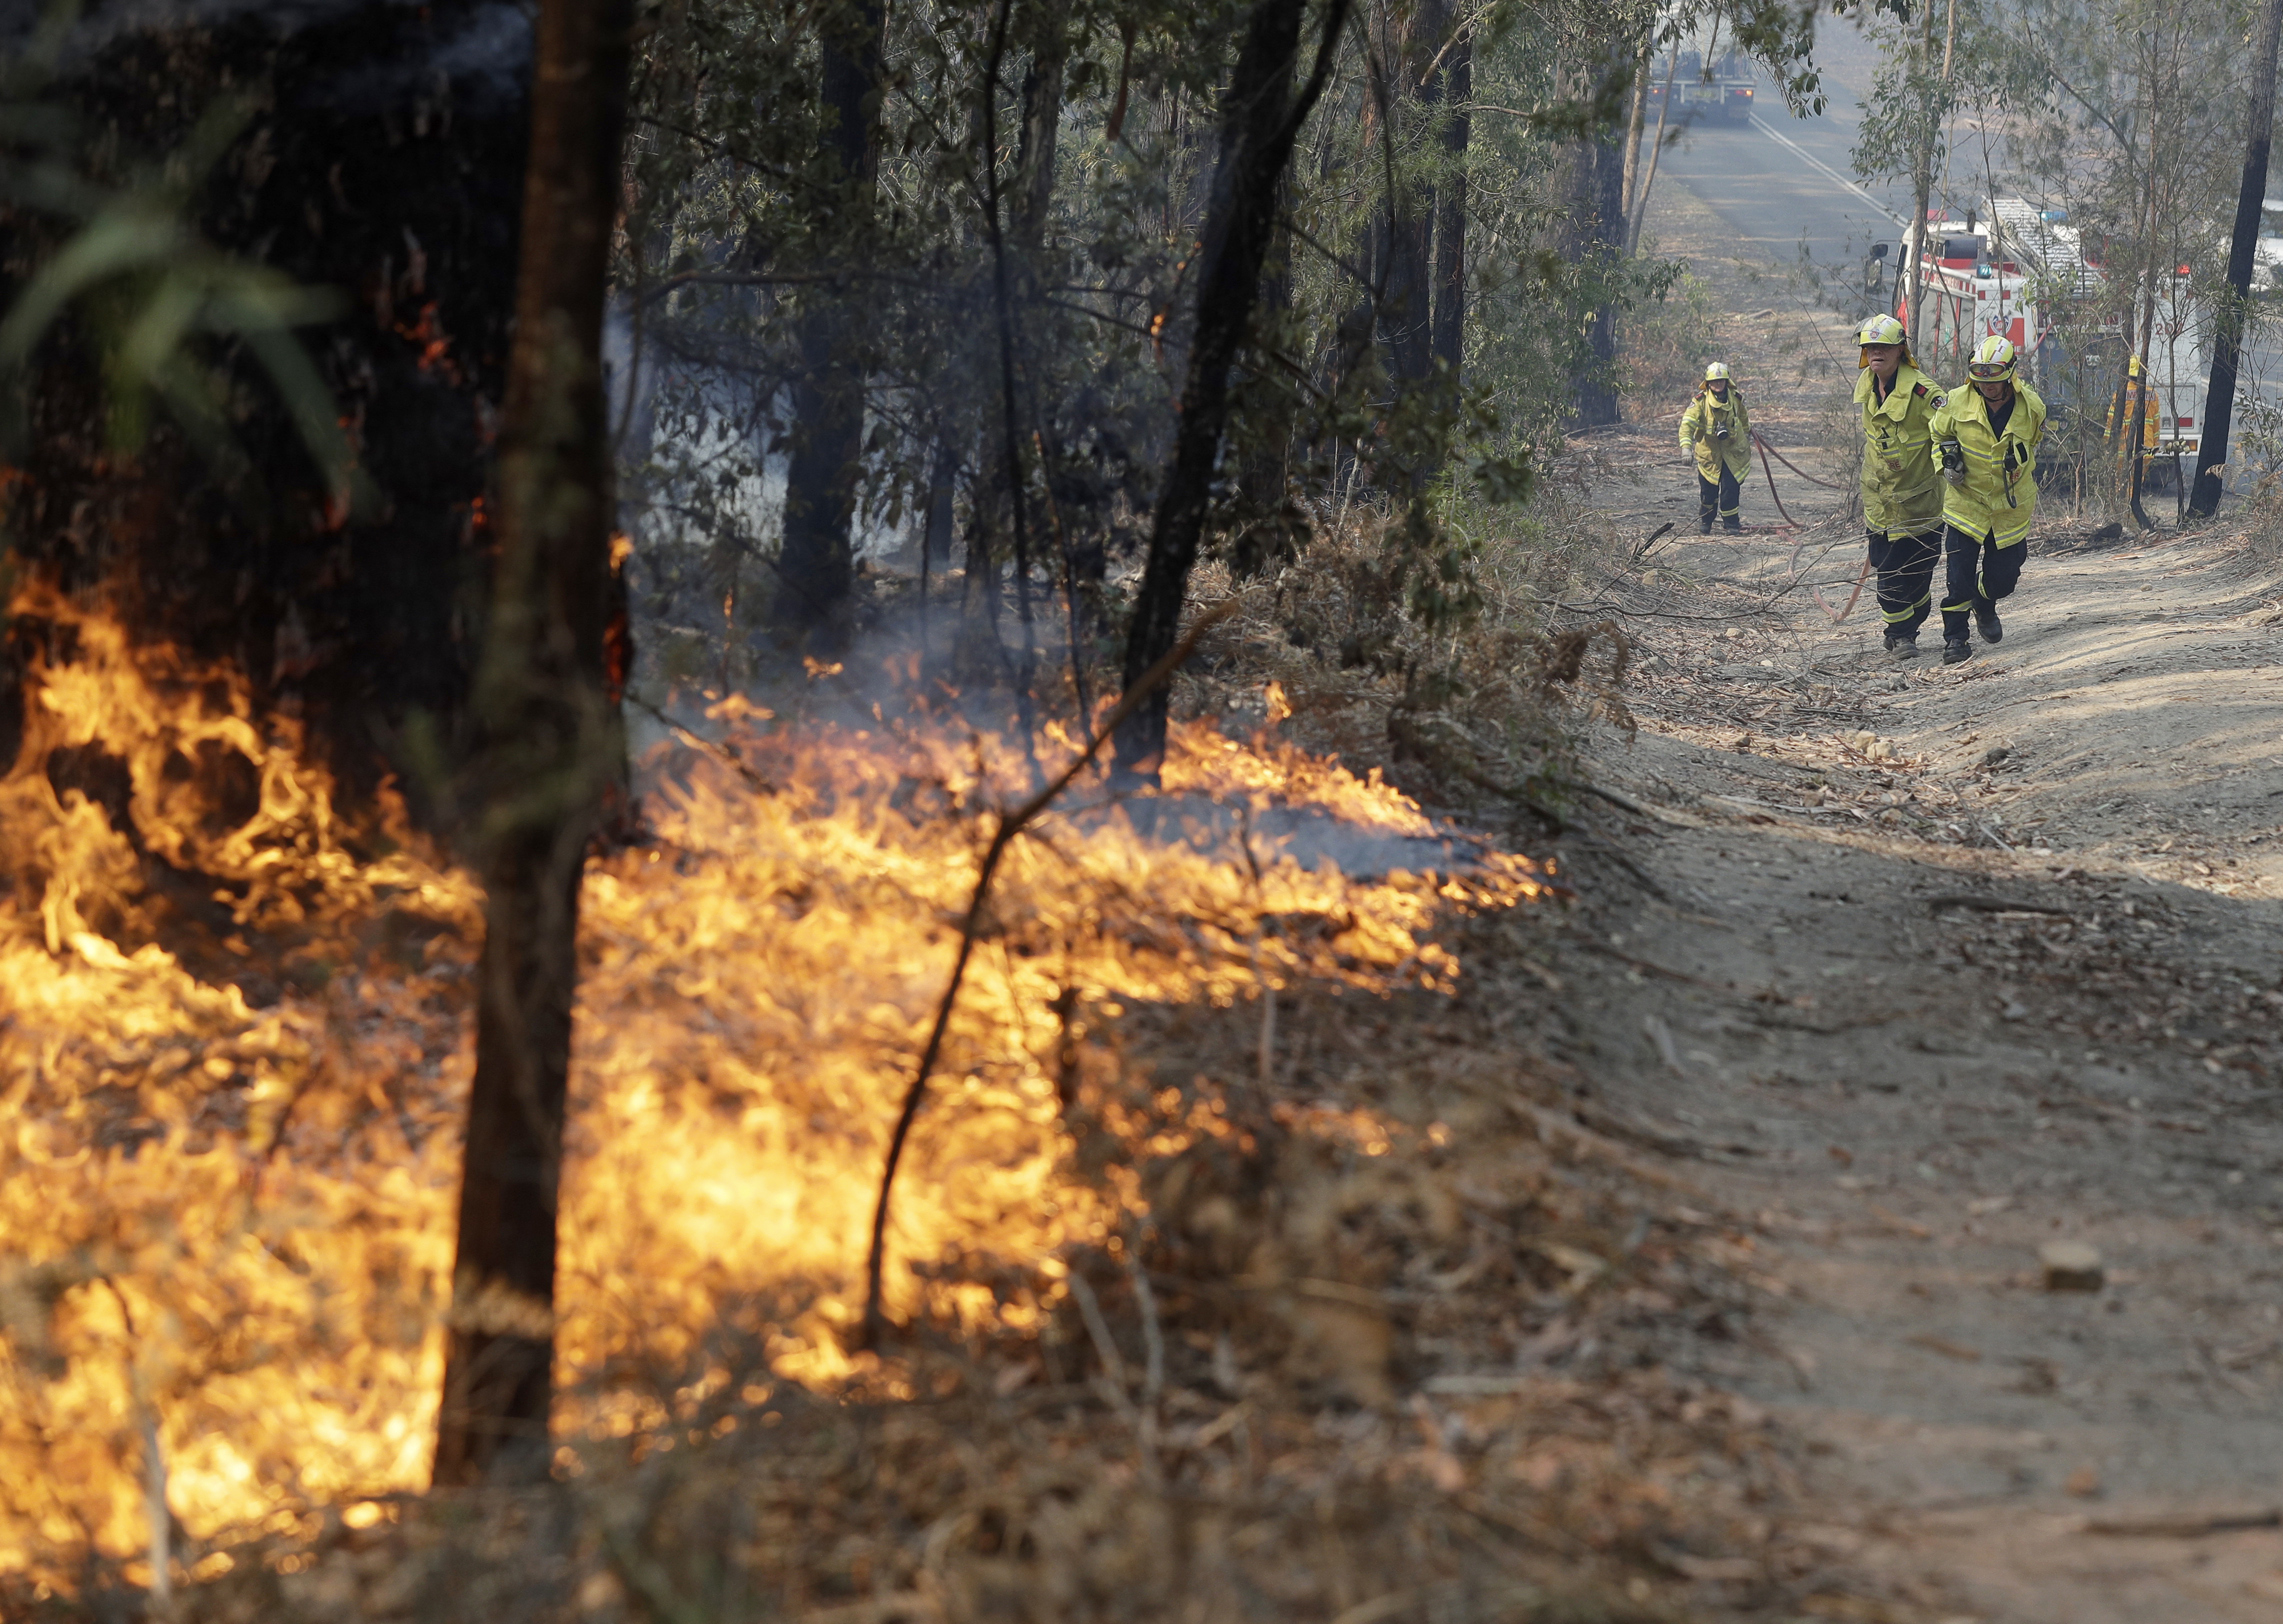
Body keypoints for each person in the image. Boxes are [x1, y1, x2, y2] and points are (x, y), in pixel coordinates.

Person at [1928, 334, 2046, 665]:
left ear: (2010, 374)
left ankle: (1984, 600)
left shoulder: (2032, 408)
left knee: (2004, 579)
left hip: (2010, 508)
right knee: (1958, 577)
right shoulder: (1955, 402)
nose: (1987, 385)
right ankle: (1956, 639)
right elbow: (1938, 436)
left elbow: (2033, 443)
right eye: (1980, 377)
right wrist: (1946, 464)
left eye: (1994, 378)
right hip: (1966, 503)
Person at [1852, 313, 1946, 659]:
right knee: (1889, 571)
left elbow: (1949, 432)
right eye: (1870, 347)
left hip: (1920, 503)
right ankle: (1902, 635)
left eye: (1884, 347)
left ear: (1900, 351)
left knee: (1920, 574)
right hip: (1880, 502)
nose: (1876, 352)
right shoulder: (1866, 386)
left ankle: (1911, 618)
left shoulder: (1924, 393)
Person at [1678, 361, 1750, 534]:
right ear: (1708, 383)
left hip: (1733, 454)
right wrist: (1686, 448)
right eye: (1715, 381)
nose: (1718, 384)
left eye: (1721, 381)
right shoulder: (1700, 402)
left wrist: (1746, 437)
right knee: (1708, 493)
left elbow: (1744, 421)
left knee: (1730, 490)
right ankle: (1706, 521)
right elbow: (1687, 425)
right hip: (1709, 456)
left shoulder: (1736, 399)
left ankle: (1732, 524)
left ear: (1727, 382)